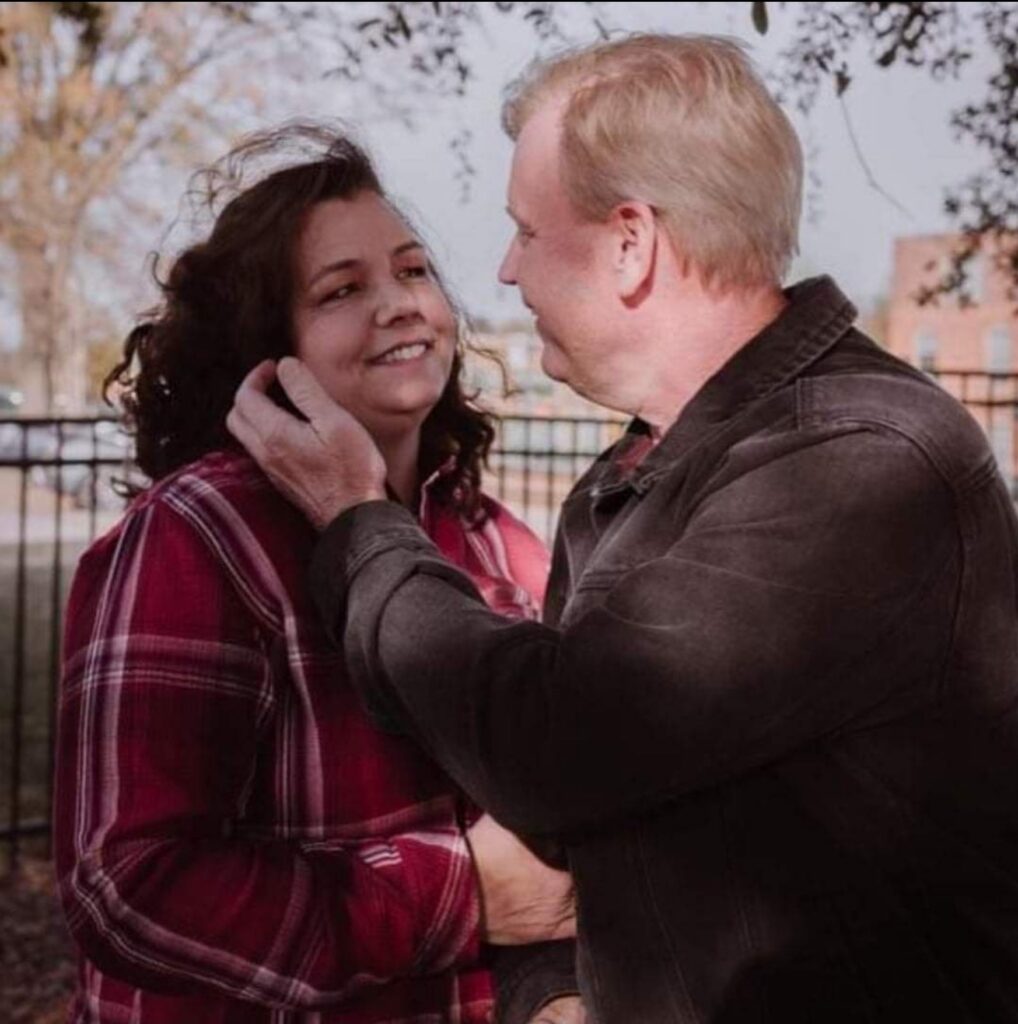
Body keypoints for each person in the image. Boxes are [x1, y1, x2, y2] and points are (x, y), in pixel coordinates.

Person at [229, 34, 1018, 1024]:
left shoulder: (862, 458)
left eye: (524, 230)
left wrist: (356, 520)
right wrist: (551, 994)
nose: (505, 272)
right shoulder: (635, 474)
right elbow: (592, 831)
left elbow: (555, 746)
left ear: (630, 243)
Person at [54, 124, 582, 1024]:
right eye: (343, 289)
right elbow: (129, 884)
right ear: (269, 353)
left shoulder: (497, 543)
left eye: (414, 271)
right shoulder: (198, 537)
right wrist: (456, 896)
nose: (401, 303)